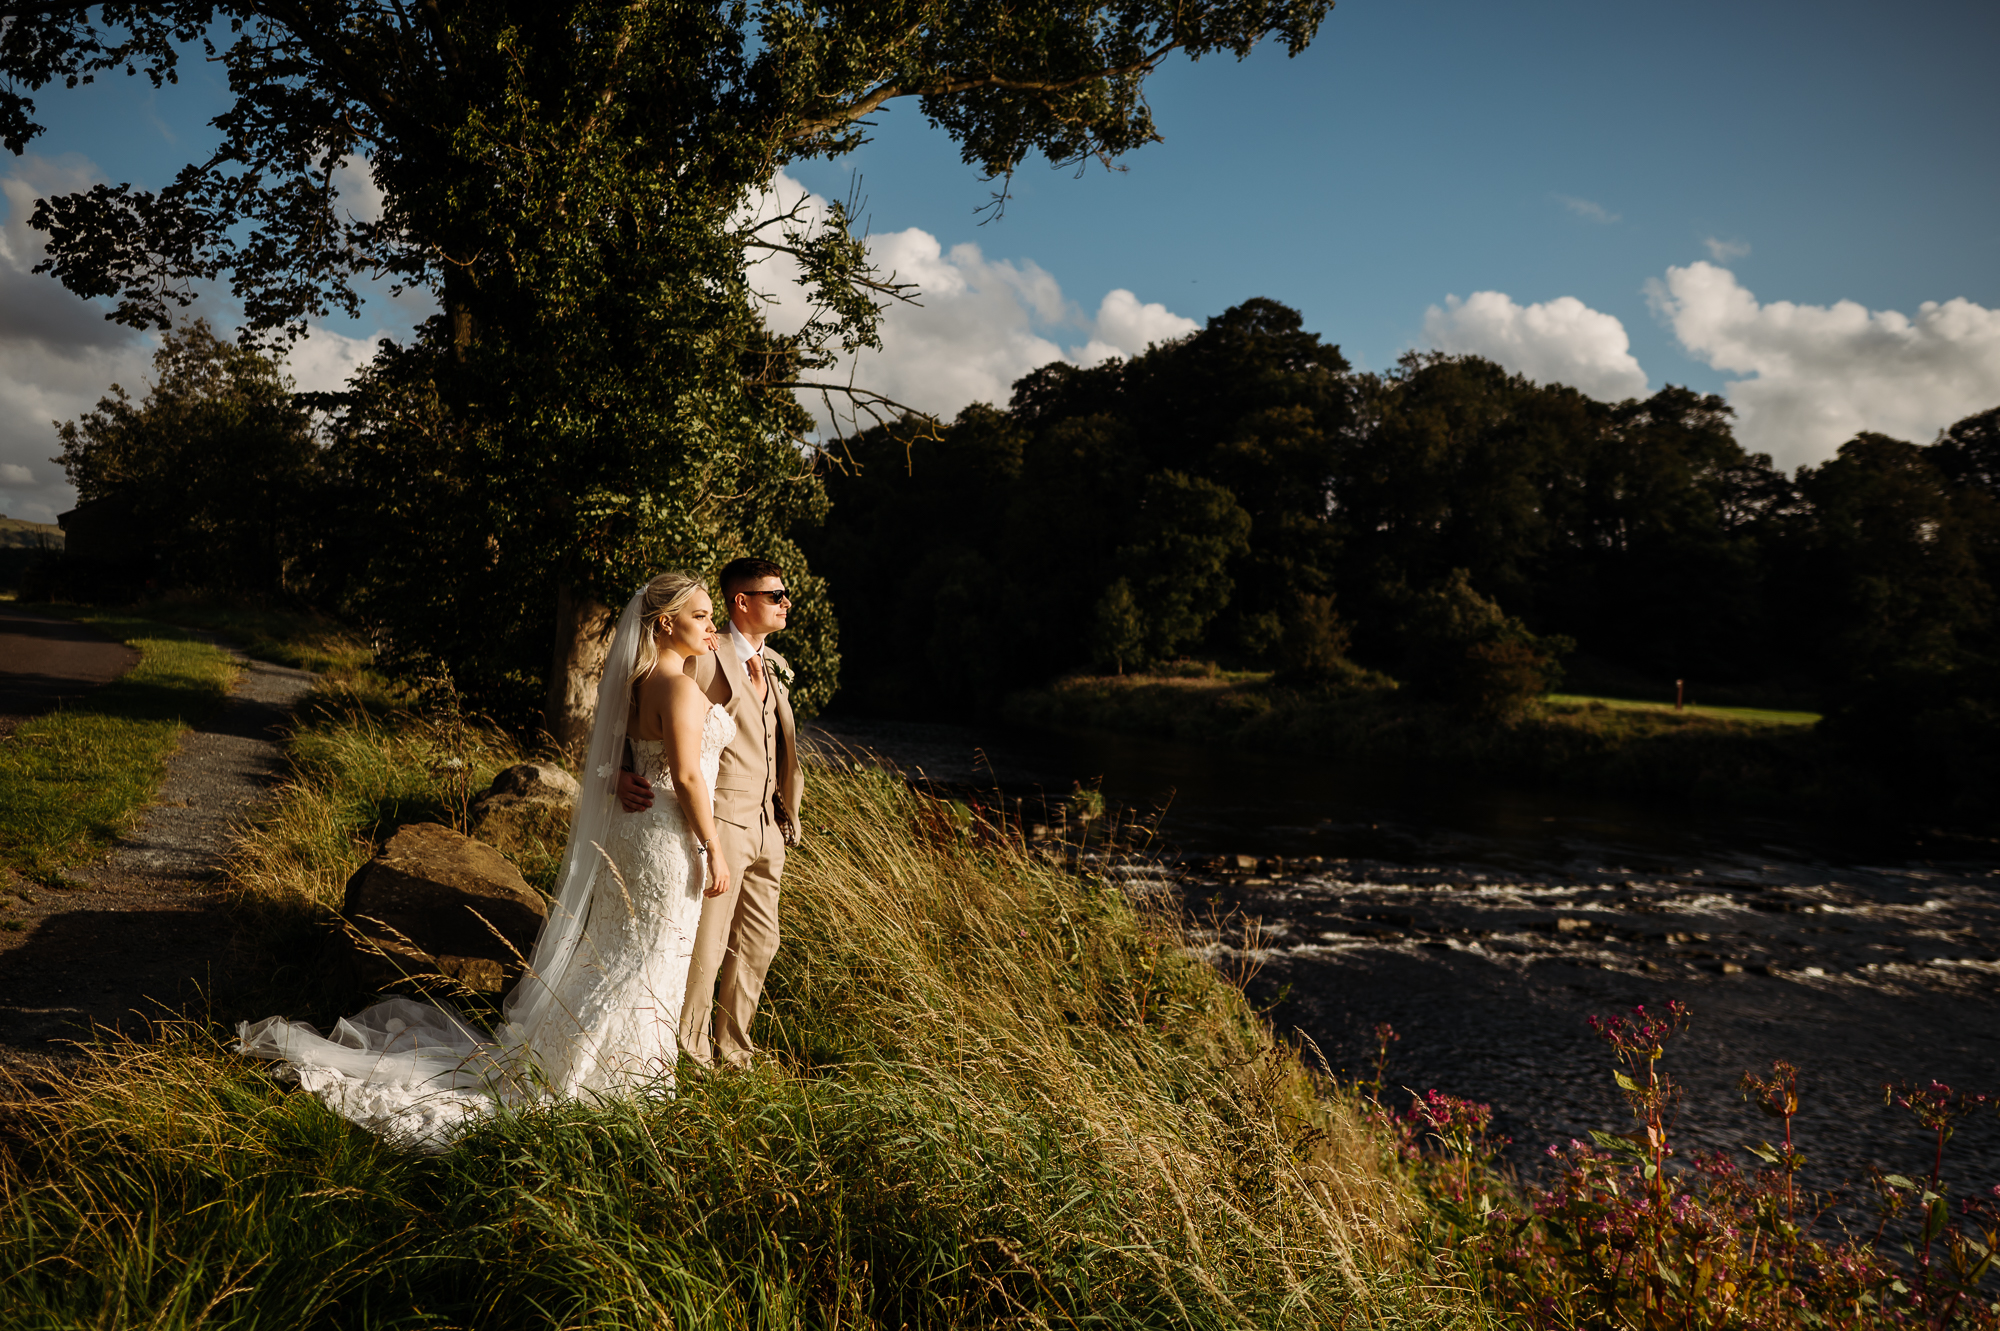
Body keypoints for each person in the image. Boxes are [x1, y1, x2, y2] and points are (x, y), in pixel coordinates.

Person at [235, 572, 736, 1148]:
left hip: (635, 833)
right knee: (645, 957)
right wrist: (714, 850)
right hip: (668, 838)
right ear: (667, 621)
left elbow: (625, 752)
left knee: (623, 952)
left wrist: (630, 775)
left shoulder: (642, 677)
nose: (711, 627)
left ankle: (589, 1059)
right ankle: (619, 1078)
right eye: (701, 616)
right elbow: (692, 776)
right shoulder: (678, 686)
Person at [618, 557, 803, 1069]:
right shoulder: (701, 655)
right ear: (742, 601)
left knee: (761, 942)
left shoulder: (771, 663)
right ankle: (692, 1050)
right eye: (777, 595)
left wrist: (786, 811)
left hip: (770, 824)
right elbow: (636, 704)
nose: (786, 603)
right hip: (718, 818)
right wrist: (615, 771)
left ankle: (734, 1049)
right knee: (707, 944)